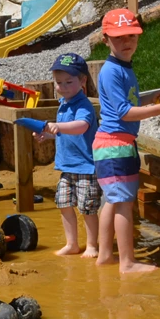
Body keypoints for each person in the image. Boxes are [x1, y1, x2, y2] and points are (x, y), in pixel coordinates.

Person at [93, 8, 160, 273]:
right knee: (124, 204)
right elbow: (123, 112)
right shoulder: (112, 71)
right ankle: (127, 263)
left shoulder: (123, 68)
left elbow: (128, 103)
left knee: (112, 201)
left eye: (131, 35)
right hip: (115, 145)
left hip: (113, 145)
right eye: (119, 38)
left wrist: (149, 101)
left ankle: (106, 255)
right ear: (106, 39)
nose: (126, 42)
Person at [34, 52, 100, 258]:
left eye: (68, 82)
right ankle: (71, 243)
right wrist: (49, 135)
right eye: (58, 82)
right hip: (66, 166)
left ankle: (92, 245)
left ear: (82, 81)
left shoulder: (83, 105)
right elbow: (66, 134)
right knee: (64, 204)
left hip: (86, 166)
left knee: (87, 209)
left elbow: (81, 127)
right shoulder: (63, 103)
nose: (62, 87)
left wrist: (56, 126)